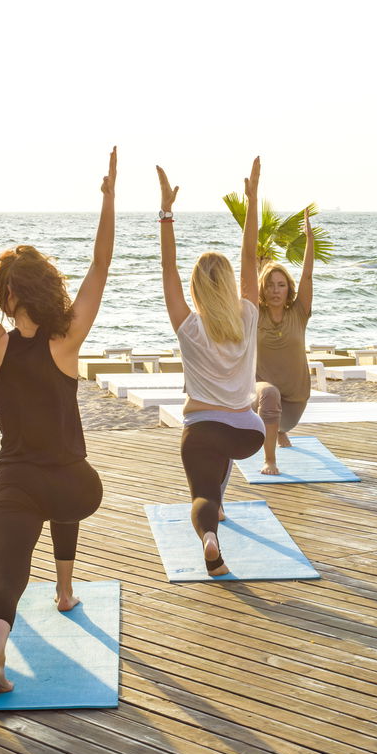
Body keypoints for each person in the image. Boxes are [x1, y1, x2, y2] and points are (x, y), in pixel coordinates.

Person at [0, 147, 116, 695]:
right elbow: (101, 266)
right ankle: (65, 590)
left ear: (8, 297)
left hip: (14, 483)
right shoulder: (66, 340)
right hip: (74, 486)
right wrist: (108, 200)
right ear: (45, 289)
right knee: (68, 487)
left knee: (6, 578)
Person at [157, 157, 265, 576]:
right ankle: (216, 547)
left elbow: (167, 268)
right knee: (220, 458)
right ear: (230, 284)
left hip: (201, 428)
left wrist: (167, 213)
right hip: (248, 433)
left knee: (201, 493)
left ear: (195, 288)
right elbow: (251, 257)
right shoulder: (248, 317)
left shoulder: (189, 328)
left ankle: (208, 537)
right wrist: (252, 200)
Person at [254, 212, 316, 475]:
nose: (275, 290)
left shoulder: (299, 312)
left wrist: (309, 240)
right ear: (262, 290)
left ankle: (279, 430)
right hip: (260, 393)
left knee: (279, 413)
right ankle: (270, 459)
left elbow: (308, 277)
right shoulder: (254, 314)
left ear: (289, 289)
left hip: (296, 397)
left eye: (281, 285)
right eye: (269, 285)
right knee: (270, 396)